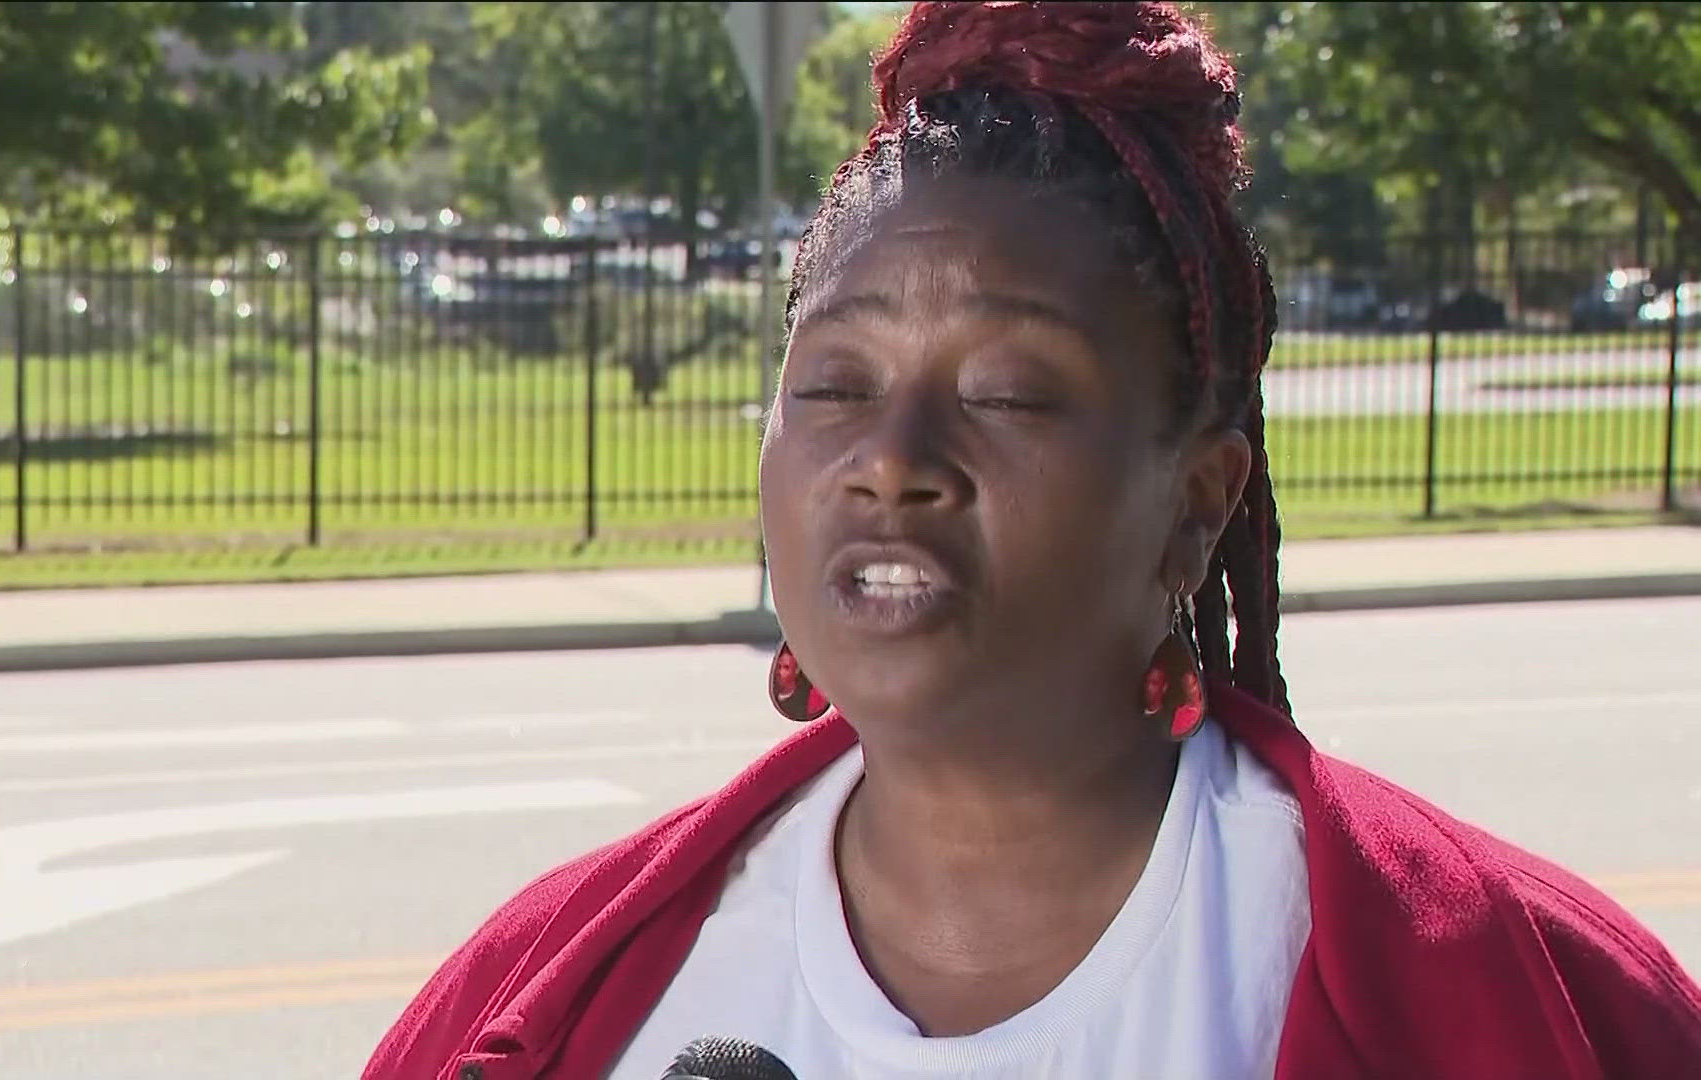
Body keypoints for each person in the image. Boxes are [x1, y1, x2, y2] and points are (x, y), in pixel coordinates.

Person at [363, 3, 1701, 1078]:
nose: (891, 461)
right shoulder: (546, 1001)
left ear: (1197, 503)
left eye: (1007, 392)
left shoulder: (1516, 996)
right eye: (834, 385)